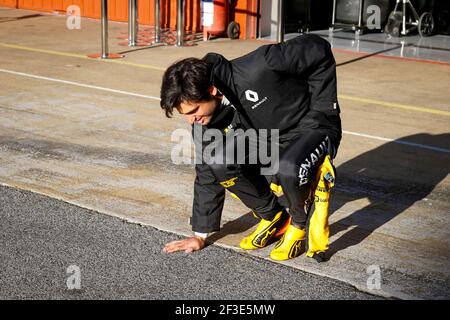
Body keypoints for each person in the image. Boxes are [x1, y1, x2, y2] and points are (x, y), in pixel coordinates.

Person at [160, 34, 342, 261]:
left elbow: (319, 48)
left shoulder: (260, 65)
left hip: (311, 126)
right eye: (184, 115)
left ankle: (299, 223)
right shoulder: (206, 119)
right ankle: (275, 217)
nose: (190, 120)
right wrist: (200, 234)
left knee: (288, 168)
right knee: (218, 161)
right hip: (269, 137)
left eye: (193, 111)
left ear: (212, 91)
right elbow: (206, 172)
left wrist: (324, 107)